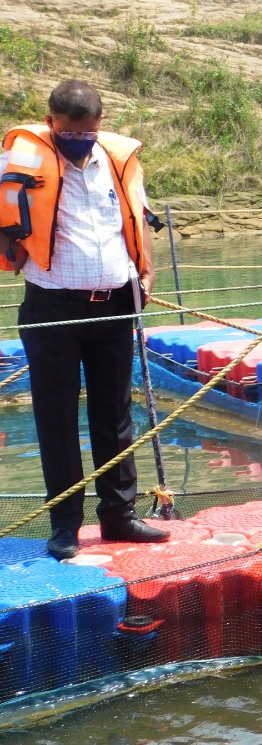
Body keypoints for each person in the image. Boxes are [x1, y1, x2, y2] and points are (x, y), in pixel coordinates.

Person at [0, 80, 169, 559]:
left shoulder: (116, 161)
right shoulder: (18, 164)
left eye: (87, 132)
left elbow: (137, 216)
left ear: (100, 123)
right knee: (56, 417)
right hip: (52, 307)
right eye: (69, 132)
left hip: (114, 304)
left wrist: (147, 270)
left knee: (114, 414)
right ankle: (65, 526)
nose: (79, 140)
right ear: (50, 122)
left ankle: (119, 515)